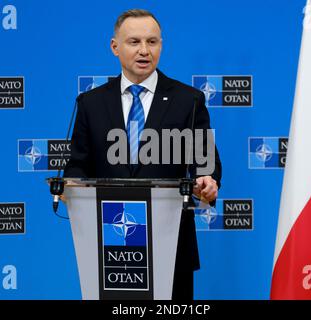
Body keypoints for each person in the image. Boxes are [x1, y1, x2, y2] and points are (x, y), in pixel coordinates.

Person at [63, 9, 222, 300]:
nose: (144, 50)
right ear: (115, 47)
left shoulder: (188, 100)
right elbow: (77, 165)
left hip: (171, 243)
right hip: (111, 243)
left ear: (161, 45)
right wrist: (70, 185)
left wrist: (207, 182)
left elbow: (206, 163)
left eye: (152, 42)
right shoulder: (90, 103)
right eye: (134, 41)